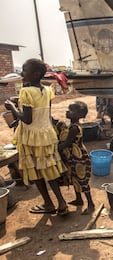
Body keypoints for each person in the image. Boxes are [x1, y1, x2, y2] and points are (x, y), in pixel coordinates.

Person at [4, 58, 68, 215]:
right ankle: (61, 202)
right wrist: (19, 103)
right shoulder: (47, 90)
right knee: (49, 169)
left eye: (24, 70)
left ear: (35, 74)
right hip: (46, 134)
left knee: (36, 170)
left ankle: (48, 203)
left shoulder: (25, 92)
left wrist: (12, 106)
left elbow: (26, 119)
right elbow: (46, 113)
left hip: (31, 137)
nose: (21, 73)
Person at [58, 101, 95, 215]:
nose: (67, 111)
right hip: (74, 157)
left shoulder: (74, 128)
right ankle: (79, 199)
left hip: (78, 157)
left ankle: (91, 204)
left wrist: (57, 147)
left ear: (79, 114)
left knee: (82, 179)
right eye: (68, 109)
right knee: (74, 177)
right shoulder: (72, 125)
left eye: (71, 110)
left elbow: (67, 144)